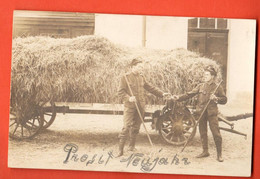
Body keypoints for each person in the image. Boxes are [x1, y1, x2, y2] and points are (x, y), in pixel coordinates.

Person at [116, 58, 169, 157]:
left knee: (136, 127)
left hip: (140, 106)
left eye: (142, 67)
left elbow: (150, 88)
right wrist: (128, 98)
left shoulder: (141, 77)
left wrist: (162, 94)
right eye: (139, 67)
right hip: (130, 106)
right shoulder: (125, 78)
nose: (141, 69)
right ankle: (120, 150)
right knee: (126, 127)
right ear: (133, 67)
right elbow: (120, 92)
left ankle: (131, 147)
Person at [173, 66, 227, 162]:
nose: (205, 76)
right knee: (203, 132)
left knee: (216, 133)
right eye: (204, 74)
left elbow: (224, 100)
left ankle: (219, 155)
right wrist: (178, 98)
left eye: (207, 75)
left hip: (212, 114)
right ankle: (205, 151)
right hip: (201, 112)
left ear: (212, 76)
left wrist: (216, 98)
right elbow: (189, 94)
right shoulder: (201, 86)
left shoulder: (218, 87)